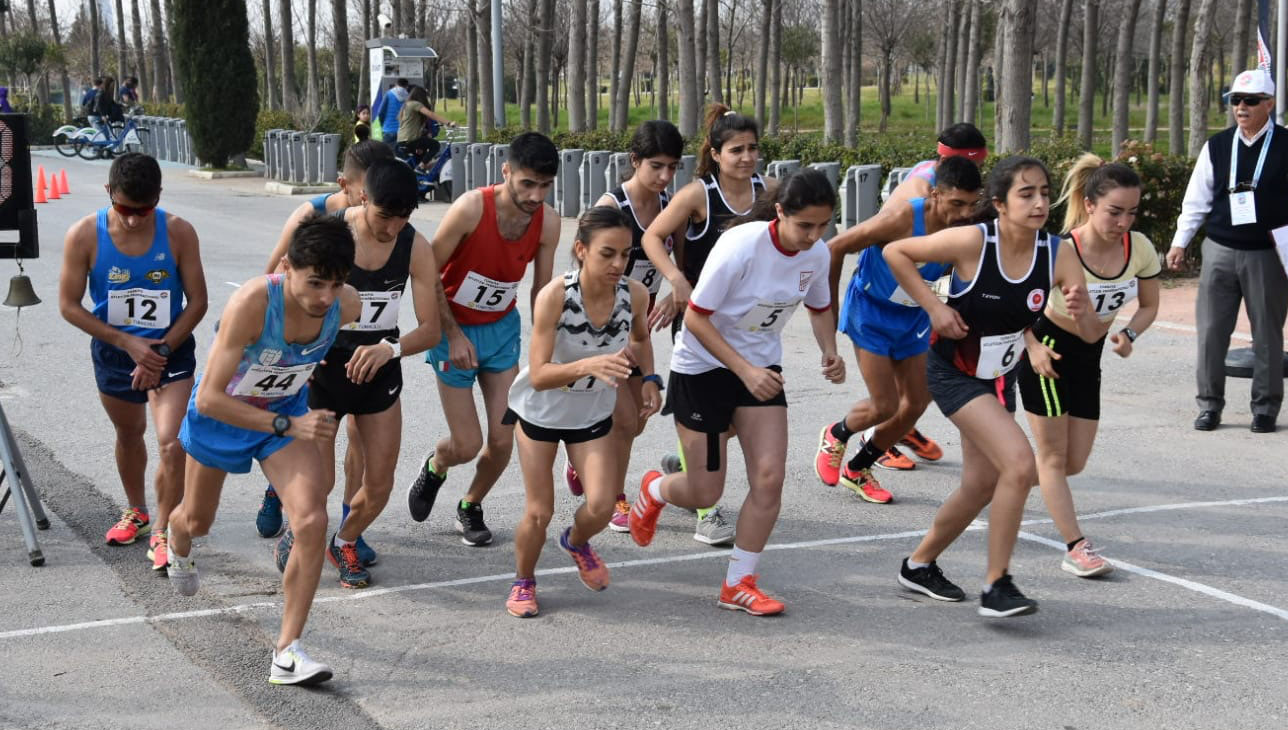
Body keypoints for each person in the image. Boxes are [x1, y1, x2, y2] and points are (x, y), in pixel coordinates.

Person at [884, 156, 1097, 619]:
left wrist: (1082, 309)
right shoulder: (972, 242)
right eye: (1027, 194)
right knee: (1019, 464)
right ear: (999, 204)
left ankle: (917, 565)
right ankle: (997, 584)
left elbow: (1092, 331)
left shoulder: (1058, 253)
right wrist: (934, 309)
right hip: (953, 372)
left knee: (981, 483)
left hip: (998, 375)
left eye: (1044, 192)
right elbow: (895, 253)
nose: (1040, 202)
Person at [629, 169, 846, 616]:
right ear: (781, 211)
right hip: (703, 365)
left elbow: (820, 307)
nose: (813, 236)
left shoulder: (817, 255)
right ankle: (655, 490)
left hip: (760, 369)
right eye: (805, 225)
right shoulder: (742, 246)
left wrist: (830, 351)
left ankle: (739, 582)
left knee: (770, 476)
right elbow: (695, 319)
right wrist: (744, 369)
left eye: (822, 226)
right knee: (704, 492)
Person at [166, 215, 361, 686]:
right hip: (223, 417)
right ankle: (176, 539)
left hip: (283, 420)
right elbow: (211, 396)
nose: (324, 298)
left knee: (312, 522)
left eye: (335, 285)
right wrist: (287, 421)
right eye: (314, 283)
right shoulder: (253, 302)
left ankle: (287, 652)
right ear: (287, 266)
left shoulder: (346, 306)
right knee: (197, 520)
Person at [287, 159, 440, 589]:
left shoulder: (415, 246)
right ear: (363, 198)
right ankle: (298, 533)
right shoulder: (330, 233)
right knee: (320, 481)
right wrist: (301, 347)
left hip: (378, 368)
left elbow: (430, 329)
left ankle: (345, 540)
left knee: (379, 484)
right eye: (383, 216)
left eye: (402, 218)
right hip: (324, 368)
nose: (392, 227)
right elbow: (287, 292)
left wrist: (390, 348)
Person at [504, 206, 660, 617]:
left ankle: (574, 542)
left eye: (625, 254)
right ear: (581, 250)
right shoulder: (555, 295)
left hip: (590, 416)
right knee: (538, 512)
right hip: (541, 413)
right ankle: (524, 581)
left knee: (603, 506)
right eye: (607, 253)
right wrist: (589, 365)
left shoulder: (635, 295)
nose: (617, 263)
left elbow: (640, 339)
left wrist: (649, 379)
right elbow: (538, 374)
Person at [406, 131, 560, 546]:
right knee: (468, 443)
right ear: (506, 171)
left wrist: (545, 351)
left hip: (501, 331)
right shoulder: (472, 208)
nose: (535, 195)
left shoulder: (549, 221)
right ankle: (438, 464)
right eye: (527, 183)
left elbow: (542, 291)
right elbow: (426, 273)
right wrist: (452, 335)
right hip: (452, 327)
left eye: (545, 186)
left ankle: (470, 505)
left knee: (503, 438)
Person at [57, 152, 208, 570]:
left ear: (158, 198)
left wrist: (157, 351)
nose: (134, 220)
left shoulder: (179, 233)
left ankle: (162, 529)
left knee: (172, 442)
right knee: (129, 434)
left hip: (169, 350)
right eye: (124, 209)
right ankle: (136, 510)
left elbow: (198, 302)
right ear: (109, 193)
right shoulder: (83, 235)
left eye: (145, 211)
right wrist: (127, 343)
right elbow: (69, 306)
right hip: (114, 352)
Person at [639, 104, 778, 546]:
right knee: (711, 417)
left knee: (731, 420)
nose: (747, 157)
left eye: (753, 148)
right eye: (737, 149)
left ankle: (688, 466)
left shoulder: (769, 192)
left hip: (749, 327)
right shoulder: (698, 195)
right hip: (700, 322)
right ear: (716, 153)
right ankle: (707, 508)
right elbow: (650, 237)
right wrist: (676, 281)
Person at [1020, 154, 1160, 578]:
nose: (1124, 222)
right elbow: (1017, 306)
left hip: (1090, 354)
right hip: (1048, 352)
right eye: (1115, 211)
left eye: (1132, 213)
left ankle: (1001, 477)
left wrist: (1129, 334)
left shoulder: (1140, 248)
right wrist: (1031, 347)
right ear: (1090, 203)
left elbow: (1150, 305)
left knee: (1073, 463)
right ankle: (1076, 547)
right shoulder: (1061, 250)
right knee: (1053, 456)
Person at [256, 140, 396, 560]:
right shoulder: (311, 216)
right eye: (365, 194)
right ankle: (278, 491)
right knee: (318, 462)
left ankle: (349, 526)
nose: (372, 203)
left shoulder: (389, 226)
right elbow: (271, 280)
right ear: (347, 186)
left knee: (361, 437)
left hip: (365, 349)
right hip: (315, 351)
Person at [815, 156, 983, 503]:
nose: (964, 213)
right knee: (884, 405)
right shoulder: (902, 217)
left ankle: (859, 468)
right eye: (956, 203)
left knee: (916, 403)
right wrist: (827, 310)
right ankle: (836, 433)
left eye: (971, 204)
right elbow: (835, 247)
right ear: (935, 194)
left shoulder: (966, 229)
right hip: (871, 313)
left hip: (914, 317)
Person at [576, 120, 682, 535]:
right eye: (656, 166)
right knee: (622, 419)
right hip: (604, 326)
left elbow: (675, 262)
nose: (664, 176)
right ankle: (615, 496)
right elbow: (583, 270)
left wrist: (675, 285)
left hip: (640, 324)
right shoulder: (612, 206)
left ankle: (583, 461)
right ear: (634, 160)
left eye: (672, 167)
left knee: (637, 418)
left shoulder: (669, 203)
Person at [1168, 69, 1288, 434]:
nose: (1241, 107)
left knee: (1267, 334)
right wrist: (1180, 241)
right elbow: (1197, 199)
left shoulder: (1285, 145)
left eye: (1250, 101)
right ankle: (1209, 406)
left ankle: (1265, 408)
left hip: (1267, 253)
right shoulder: (1217, 146)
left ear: (1269, 104)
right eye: (1235, 100)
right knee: (1211, 332)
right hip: (1219, 249)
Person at [885, 122, 989, 210]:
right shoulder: (923, 196)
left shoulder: (928, 166)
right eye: (971, 168)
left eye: (980, 167)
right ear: (944, 160)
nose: (976, 174)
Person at [397, 86, 454, 169]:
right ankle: (420, 168)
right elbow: (431, 114)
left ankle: (419, 170)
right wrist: (448, 122)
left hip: (402, 140)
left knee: (422, 153)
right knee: (435, 145)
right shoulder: (415, 104)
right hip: (410, 140)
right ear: (421, 96)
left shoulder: (406, 105)